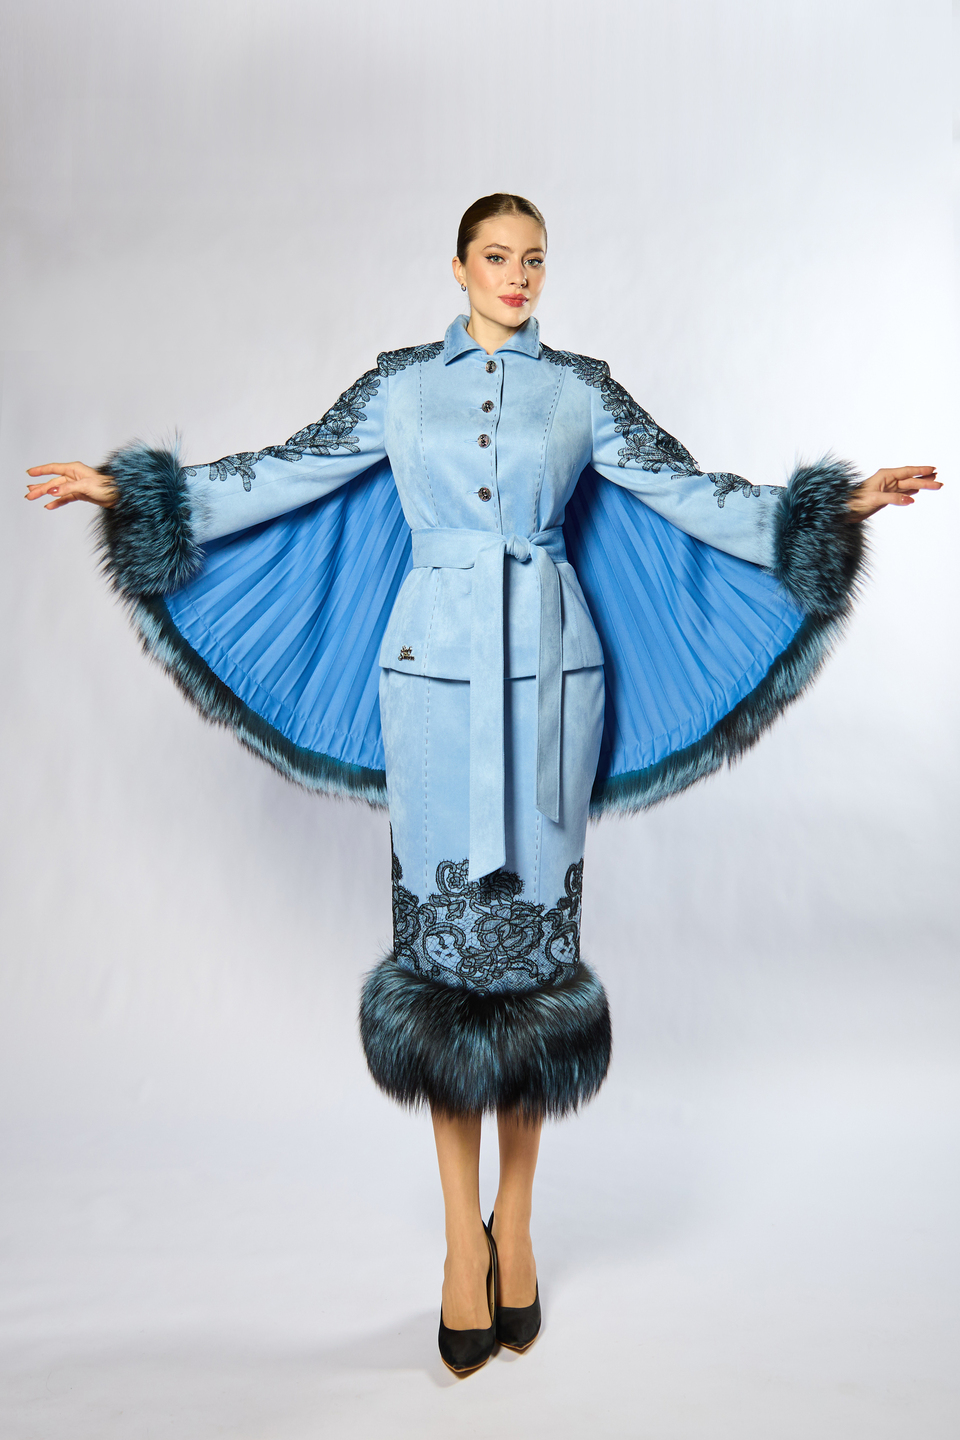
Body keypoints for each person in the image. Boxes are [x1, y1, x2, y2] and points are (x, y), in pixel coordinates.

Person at [26, 193, 940, 1377]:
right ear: (457, 266)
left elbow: (694, 494)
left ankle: (521, 1224)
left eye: (534, 260)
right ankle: (465, 1240)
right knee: (445, 974)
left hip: (555, 688)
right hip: (431, 688)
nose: (517, 276)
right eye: (497, 257)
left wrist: (833, 508)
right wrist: (134, 493)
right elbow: (283, 474)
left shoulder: (583, 392)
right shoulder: (401, 389)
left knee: (533, 977)